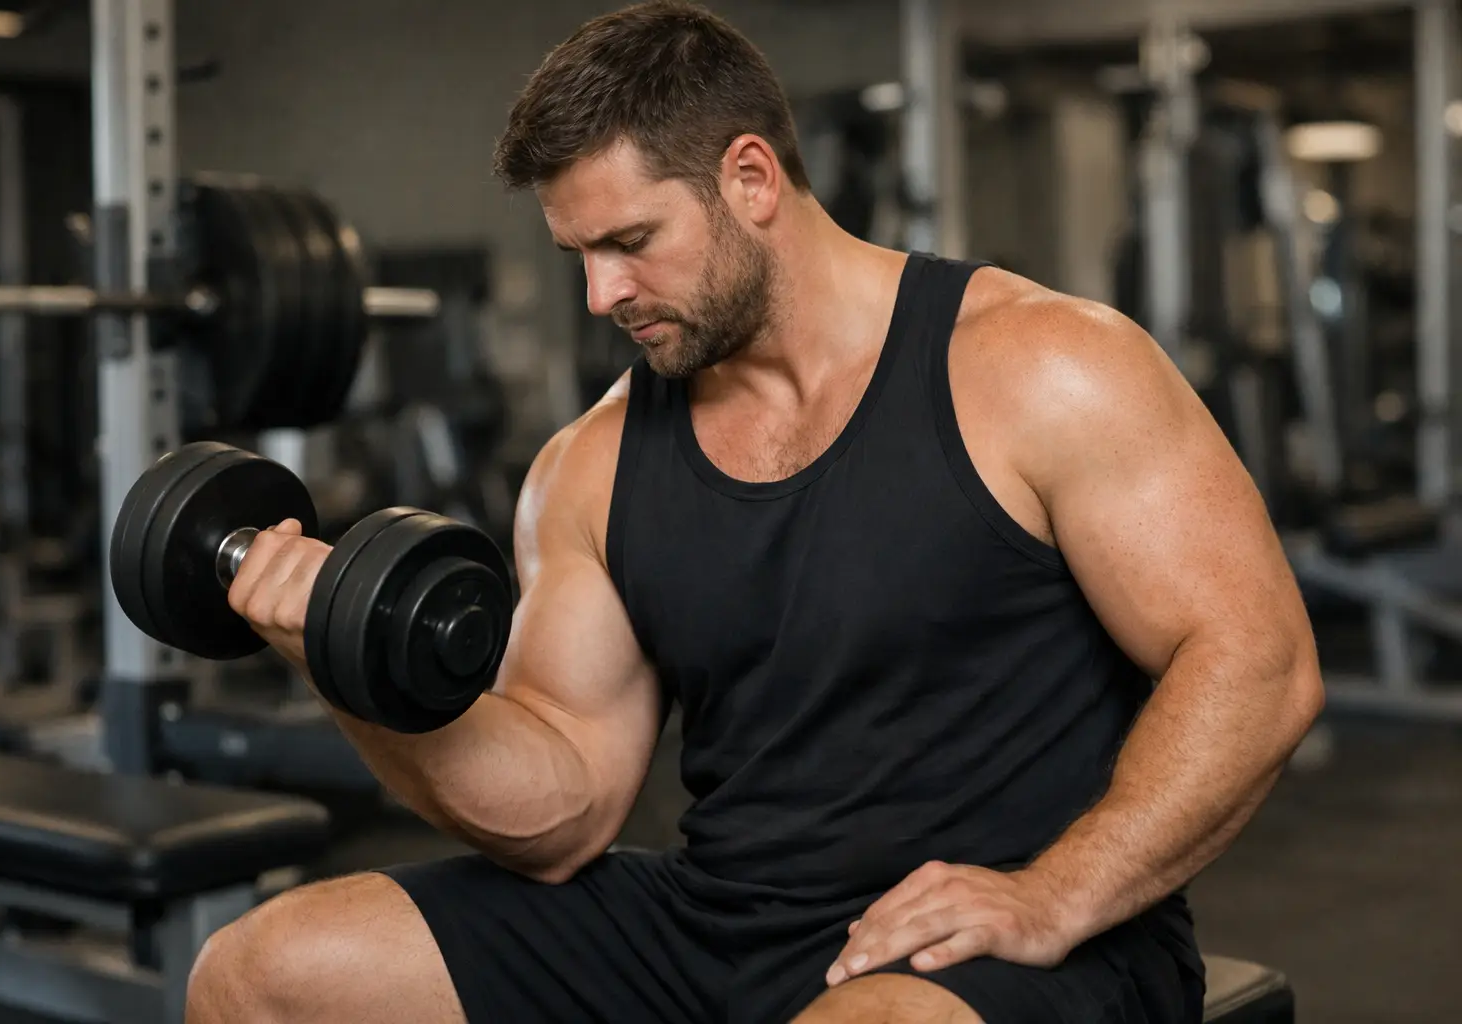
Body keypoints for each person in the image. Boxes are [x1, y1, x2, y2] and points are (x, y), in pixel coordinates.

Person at [185, 3, 1324, 1022]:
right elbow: (561, 808)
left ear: (751, 178)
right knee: (263, 972)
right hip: (723, 923)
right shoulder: (593, 463)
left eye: (630, 243)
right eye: (578, 254)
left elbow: (1255, 661)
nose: (601, 293)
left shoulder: (1042, 366)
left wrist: (1057, 893)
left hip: (1011, 939)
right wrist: (344, 654)